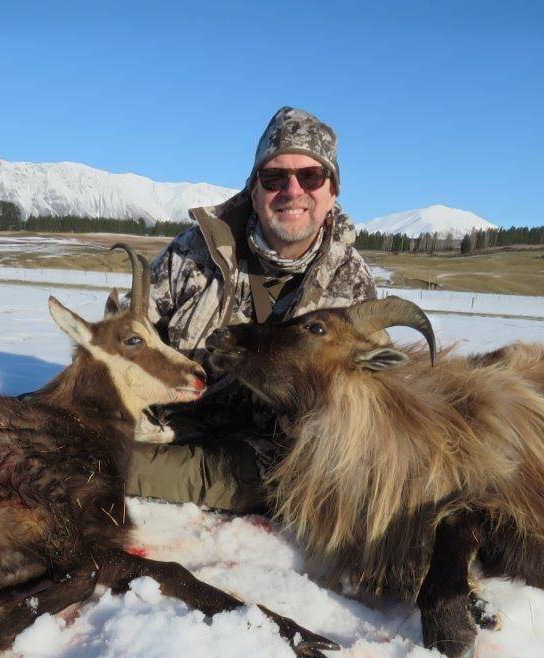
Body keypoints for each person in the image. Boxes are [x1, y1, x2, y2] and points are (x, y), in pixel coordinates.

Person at [126, 106, 377, 511]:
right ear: (254, 190)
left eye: (311, 176)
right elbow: (121, 339)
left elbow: (350, 436)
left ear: (332, 193)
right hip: (148, 430)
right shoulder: (195, 252)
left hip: (258, 471)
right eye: (274, 176)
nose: (292, 191)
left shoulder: (354, 294)